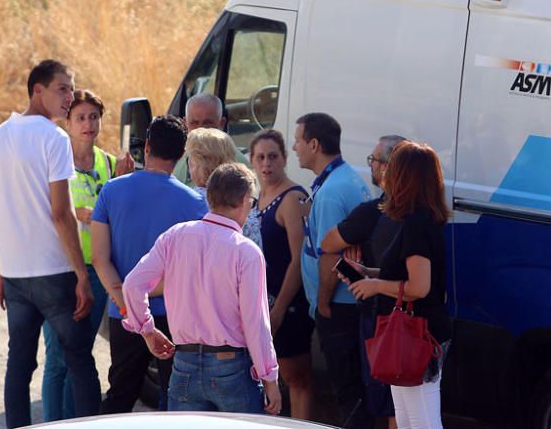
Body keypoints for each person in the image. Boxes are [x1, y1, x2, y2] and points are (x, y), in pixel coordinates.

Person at [0, 59, 101, 428]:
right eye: (62, 89)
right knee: (79, 358)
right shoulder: (55, 138)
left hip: (16, 274)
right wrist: (82, 275)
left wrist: (0, 269)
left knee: (19, 363)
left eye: (71, 88)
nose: (69, 97)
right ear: (38, 90)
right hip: (54, 273)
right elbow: (62, 214)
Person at [121, 162, 282, 415]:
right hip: (231, 367)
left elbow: (132, 285)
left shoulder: (175, 236)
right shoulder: (247, 252)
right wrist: (269, 378)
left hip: (183, 364)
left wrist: (148, 331)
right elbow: (256, 323)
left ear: (210, 197)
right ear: (243, 200)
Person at [91, 115, 207, 414]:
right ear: (182, 154)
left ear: (147, 146)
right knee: (176, 399)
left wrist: (127, 299)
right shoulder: (195, 203)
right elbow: (191, 271)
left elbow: (100, 258)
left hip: (124, 312)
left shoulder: (111, 191)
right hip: (174, 315)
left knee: (120, 395)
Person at [340, 142, 452, 429]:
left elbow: (419, 286)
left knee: (421, 420)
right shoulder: (419, 218)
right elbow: (408, 272)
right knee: (406, 418)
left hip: (418, 334)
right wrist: (369, 273)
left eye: (393, 166)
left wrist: (377, 285)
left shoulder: (416, 223)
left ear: (404, 175)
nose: (385, 172)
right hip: (413, 331)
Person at [41, 89, 133, 422]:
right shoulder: (53, 161)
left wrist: (123, 183)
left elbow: (120, 215)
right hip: (61, 269)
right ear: (67, 122)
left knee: (80, 350)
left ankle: (74, 421)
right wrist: (75, 213)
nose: (88, 124)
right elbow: (47, 214)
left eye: (94, 117)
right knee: (57, 356)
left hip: (97, 269)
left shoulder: (109, 163)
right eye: (80, 117)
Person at [322, 134, 408, 428]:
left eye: (373, 160)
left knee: (388, 401)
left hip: (382, 320)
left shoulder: (374, 213)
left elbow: (328, 241)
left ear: (386, 168)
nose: (369, 165)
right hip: (403, 319)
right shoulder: (420, 214)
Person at [295, 112, 373, 429]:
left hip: (338, 307)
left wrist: (323, 303)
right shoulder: (346, 177)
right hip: (349, 304)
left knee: (348, 392)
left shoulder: (330, 193)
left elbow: (330, 255)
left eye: (298, 141)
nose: (295, 148)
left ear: (314, 144)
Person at [249, 129, 315, 419]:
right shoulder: (254, 199)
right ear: (251, 161)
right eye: (261, 157)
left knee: (295, 377)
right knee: (264, 380)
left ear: (284, 159)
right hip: (260, 303)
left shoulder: (293, 197)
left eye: (273, 156)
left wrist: (280, 308)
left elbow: (299, 258)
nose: (267, 163)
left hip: (288, 305)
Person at [171, 93, 249, 186]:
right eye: (194, 123)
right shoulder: (178, 159)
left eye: (207, 123)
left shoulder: (237, 167)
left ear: (221, 124)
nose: (200, 130)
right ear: (185, 124)